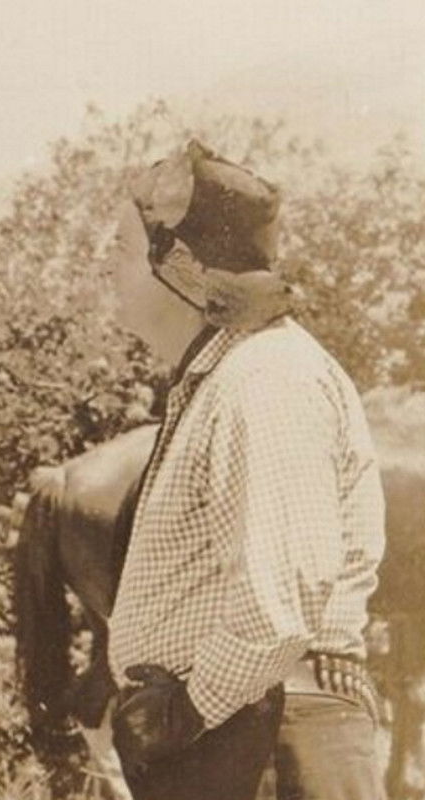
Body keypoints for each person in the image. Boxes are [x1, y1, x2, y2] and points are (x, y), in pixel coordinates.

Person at [103, 140, 387, 800]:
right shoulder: (230, 376)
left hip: (264, 737)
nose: (108, 270)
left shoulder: (264, 379)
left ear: (176, 264)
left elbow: (276, 609)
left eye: (121, 249)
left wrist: (189, 713)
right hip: (246, 732)